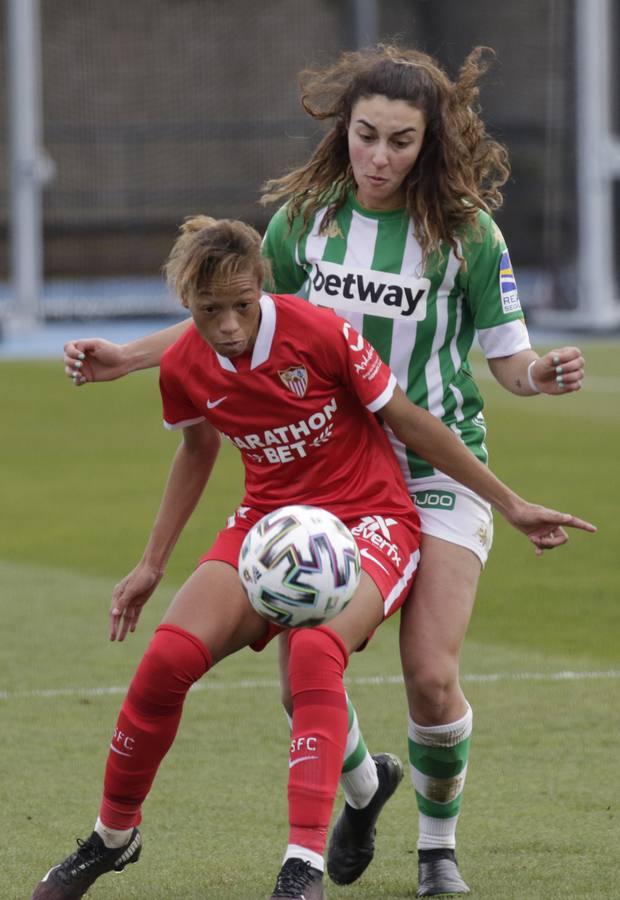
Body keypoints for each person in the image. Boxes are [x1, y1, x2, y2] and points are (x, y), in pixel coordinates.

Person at [62, 45, 587, 897]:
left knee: (430, 672)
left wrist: (544, 376)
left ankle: (436, 849)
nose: (378, 158)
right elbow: (234, 315)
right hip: (326, 474)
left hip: (435, 467)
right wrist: (127, 358)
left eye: (401, 141)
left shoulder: (466, 235)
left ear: (432, 142)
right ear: (344, 130)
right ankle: (363, 786)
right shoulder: (305, 221)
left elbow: (510, 361)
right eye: (365, 135)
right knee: (301, 676)